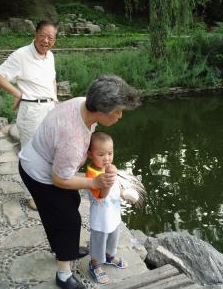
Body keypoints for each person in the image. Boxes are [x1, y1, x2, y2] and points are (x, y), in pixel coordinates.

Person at [18, 75, 140, 289]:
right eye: (117, 111)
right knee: (68, 220)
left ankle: (65, 248)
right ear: (101, 110)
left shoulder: (82, 103)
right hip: (39, 173)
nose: (120, 116)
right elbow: (59, 179)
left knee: (70, 203)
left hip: (47, 161)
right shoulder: (73, 139)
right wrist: (95, 183)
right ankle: (63, 275)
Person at [0, 20, 59, 211]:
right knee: (30, 155)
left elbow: (52, 79)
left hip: (50, 110)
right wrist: (19, 94)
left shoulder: (50, 56)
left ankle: (47, 187)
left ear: (55, 40)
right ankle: (32, 195)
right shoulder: (21, 55)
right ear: (36, 33)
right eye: (43, 35)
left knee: (50, 152)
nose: (46, 40)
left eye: (51, 38)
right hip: (31, 111)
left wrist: (55, 101)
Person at [86, 131, 134, 284]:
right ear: (90, 154)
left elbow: (115, 188)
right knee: (99, 243)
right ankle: (95, 264)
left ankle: (110, 256)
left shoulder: (109, 169)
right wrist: (108, 176)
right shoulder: (92, 174)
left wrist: (124, 194)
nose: (107, 158)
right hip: (100, 221)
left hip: (113, 216)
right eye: (101, 154)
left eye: (110, 153)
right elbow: (102, 194)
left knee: (113, 238)